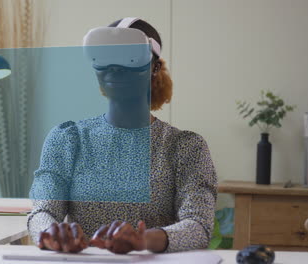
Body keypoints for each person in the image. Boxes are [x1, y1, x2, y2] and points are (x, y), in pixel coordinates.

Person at [27, 18, 217, 254]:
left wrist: (144, 240)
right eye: (105, 57)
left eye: (129, 57)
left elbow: (199, 227)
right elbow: (43, 212)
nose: (115, 67)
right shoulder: (67, 139)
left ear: (154, 68)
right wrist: (50, 232)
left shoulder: (185, 147)